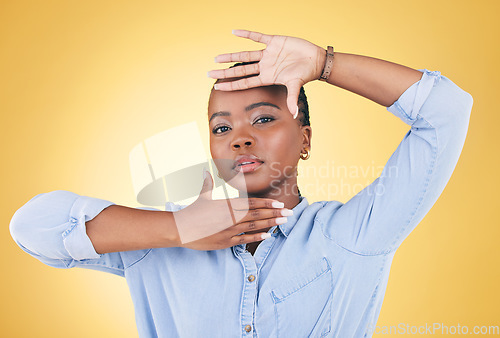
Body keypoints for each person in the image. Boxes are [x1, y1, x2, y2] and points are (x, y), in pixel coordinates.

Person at [9, 29, 473, 337]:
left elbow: (446, 112)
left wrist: (323, 63)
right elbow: (31, 227)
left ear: (304, 138)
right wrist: (179, 230)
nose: (241, 139)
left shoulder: (353, 235)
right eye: (221, 127)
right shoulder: (158, 241)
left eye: (264, 118)